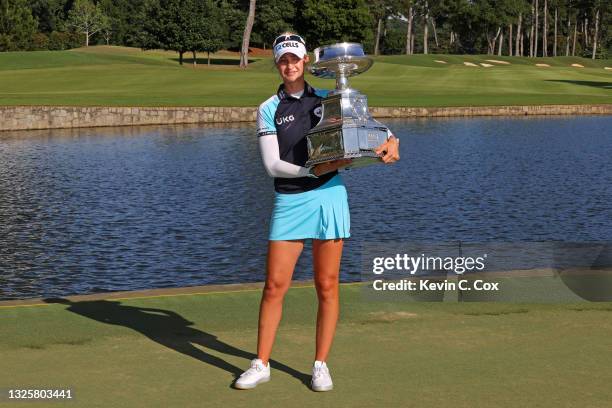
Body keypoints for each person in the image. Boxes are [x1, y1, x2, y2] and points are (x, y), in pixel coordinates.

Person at [234, 33, 400, 392]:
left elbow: (370, 126)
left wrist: (391, 140)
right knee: (275, 286)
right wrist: (310, 171)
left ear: (305, 60)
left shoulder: (328, 100)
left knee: (326, 285)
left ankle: (320, 365)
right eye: (283, 60)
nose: (290, 65)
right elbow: (272, 165)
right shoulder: (267, 108)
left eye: (295, 58)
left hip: (329, 198)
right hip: (291, 201)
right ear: (277, 65)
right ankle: (261, 363)